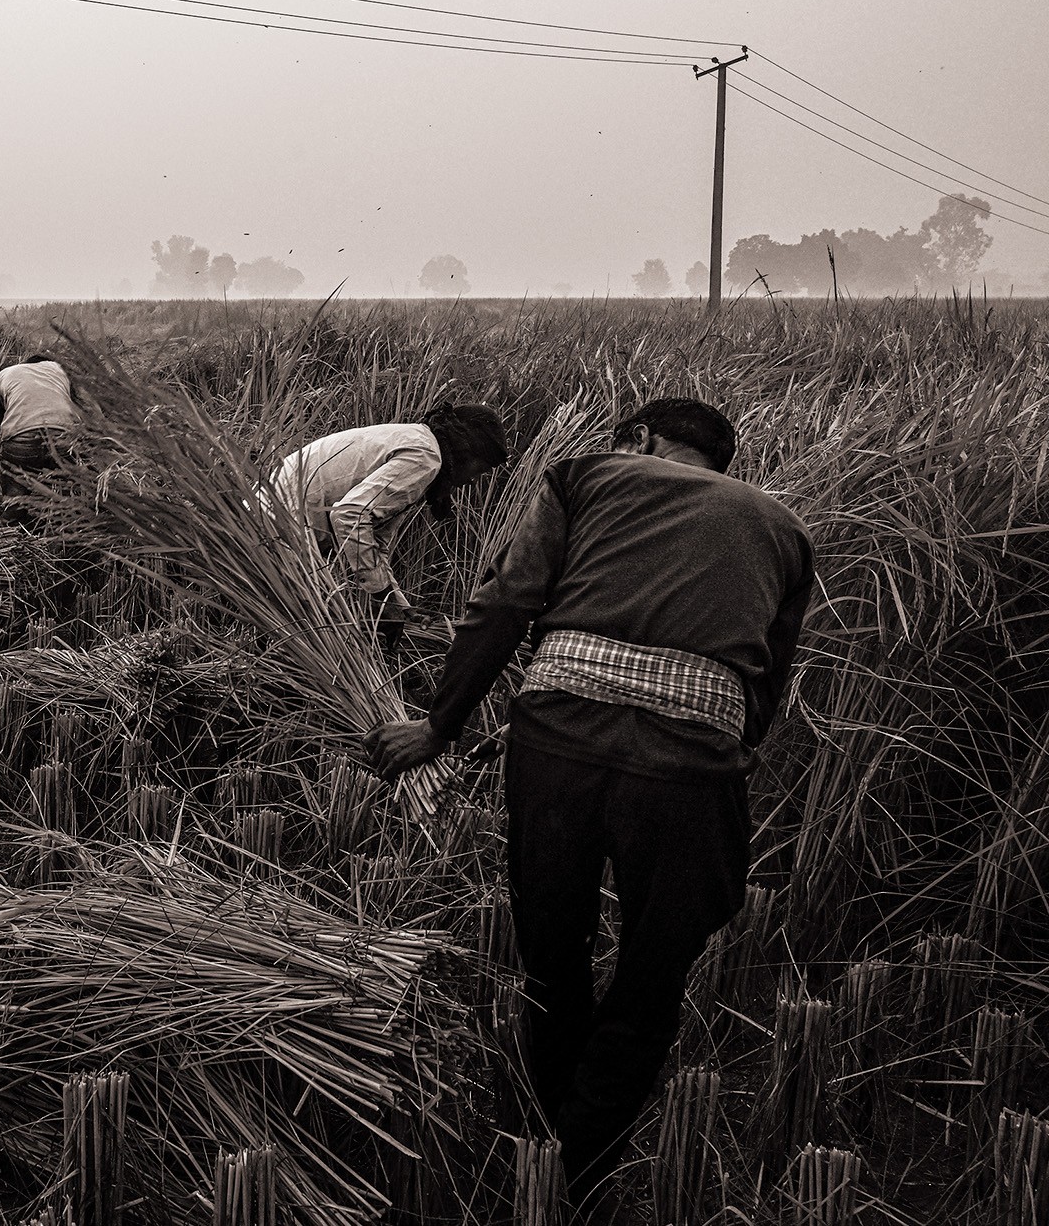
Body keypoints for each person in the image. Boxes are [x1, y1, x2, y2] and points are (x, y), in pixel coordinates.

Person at [365, 398, 815, 1218]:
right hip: (688, 769)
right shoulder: (782, 526)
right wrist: (712, 753)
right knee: (652, 974)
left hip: (560, 747)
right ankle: (581, 1164)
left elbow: (505, 604)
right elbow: (765, 687)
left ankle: (542, 1149)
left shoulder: (583, 475)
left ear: (640, 441)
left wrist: (438, 723)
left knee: (552, 951)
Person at [269, 405, 509, 633]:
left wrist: (401, 607)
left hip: (273, 517)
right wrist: (381, 597)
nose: (475, 480)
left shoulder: (417, 444)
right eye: (481, 469)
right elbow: (350, 514)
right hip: (279, 527)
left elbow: (376, 543)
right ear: (466, 449)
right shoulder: (425, 458)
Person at [0, 352, 81, 518]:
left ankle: (11, 525)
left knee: (16, 506)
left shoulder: (6, 374)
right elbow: (92, 420)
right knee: (65, 508)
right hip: (64, 437)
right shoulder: (61, 372)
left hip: (22, 442)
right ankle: (65, 530)